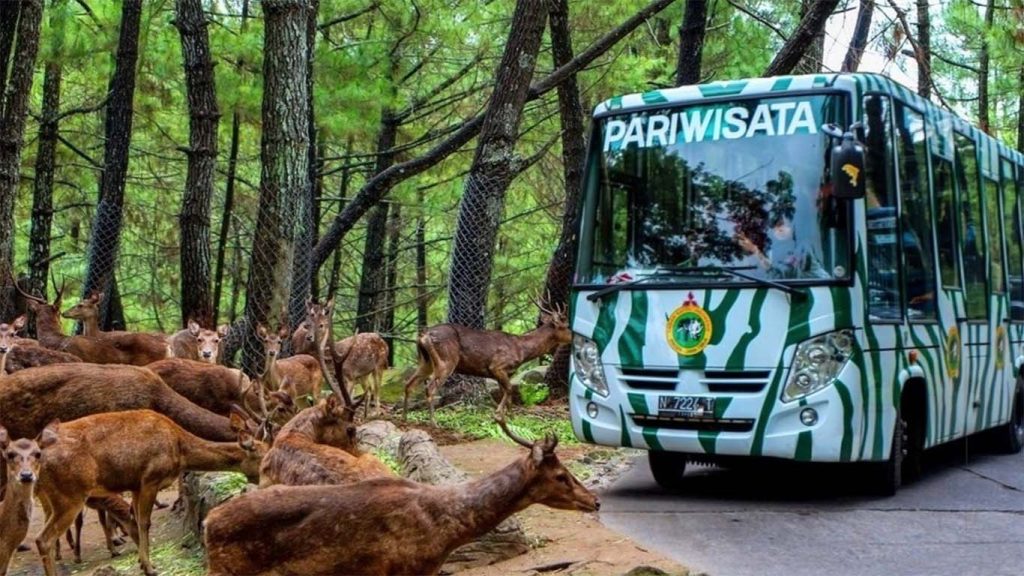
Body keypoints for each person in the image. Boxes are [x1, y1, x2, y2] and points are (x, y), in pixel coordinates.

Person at [736, 218, 827, 279]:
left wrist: (755, 250)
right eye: (776, 227)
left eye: (784, 225)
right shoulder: (771, 252)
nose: (780, 229)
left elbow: (782, 275)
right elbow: (768, 271)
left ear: (793, 228)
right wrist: (755, 251)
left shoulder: (803, 246)